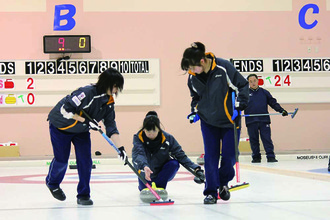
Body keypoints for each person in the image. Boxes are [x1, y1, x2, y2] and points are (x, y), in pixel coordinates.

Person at [46, 68, 127, 206]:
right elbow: (65, 110)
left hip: (81, 131)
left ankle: (83, 194)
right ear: (107, 83)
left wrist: (121, 149)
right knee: (62, 160)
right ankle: (52, 183)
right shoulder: (87, 92)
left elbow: (111, 126)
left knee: (85, 161)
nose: (116, 90)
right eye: (115, 86)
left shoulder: (109, 102)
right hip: (61, 127)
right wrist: (86, 121)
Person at [181, 42, 249, 204]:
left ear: (202, 61)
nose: (191, 71)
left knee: (230, 156)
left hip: (229, 120)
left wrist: (241, 103)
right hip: (208, 122)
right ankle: (211, 191)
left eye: (193, 67)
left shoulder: (223, 67)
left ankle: (223, 182)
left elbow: (242, 85)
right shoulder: (193, 78)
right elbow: (196, 98)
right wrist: (195, 110)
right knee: (211, 158)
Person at [132, 111, 203, 193]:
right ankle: (147, 183)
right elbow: (139, 155)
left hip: (161, 173)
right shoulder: (138, 138)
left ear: (159, 128)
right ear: (144, 129)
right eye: (148, 131)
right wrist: (144, 166)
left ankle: (160, 187)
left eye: (154, 131)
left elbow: (180, 155)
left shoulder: (168, 138)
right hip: (144, 171)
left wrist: (196, 168)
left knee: (174, 163)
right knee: (144, 190)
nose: (151, 134)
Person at [244, 74, 288, 163]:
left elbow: (273, 103)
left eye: (254, 81)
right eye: (250, 81)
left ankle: (270, 156)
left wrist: (281, 110)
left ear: (258, 81)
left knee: (267, 139)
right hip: (251, 121)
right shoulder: (245, 94)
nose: (253, 83)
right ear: (248, 83)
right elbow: (239, 105)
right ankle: (256, 157)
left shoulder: (264, 92)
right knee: (253, 140)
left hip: (263, 120)